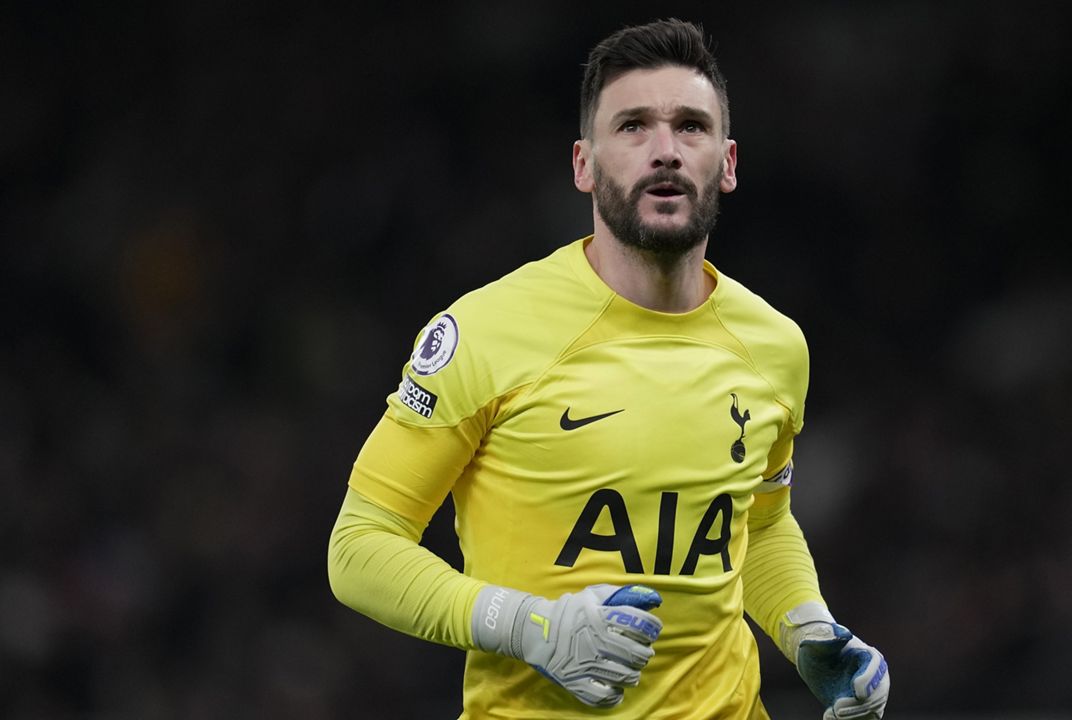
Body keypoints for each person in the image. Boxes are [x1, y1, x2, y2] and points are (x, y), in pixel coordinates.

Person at [328, 18, 890, 720]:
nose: (665, 151)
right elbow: (360, 546)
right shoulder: (486, 331)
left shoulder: (774, 345)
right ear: (583, 165)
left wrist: (806, 628)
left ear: (728, 161)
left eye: (691, 127)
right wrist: (532, 627)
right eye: (632, 127)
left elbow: (761, 524)